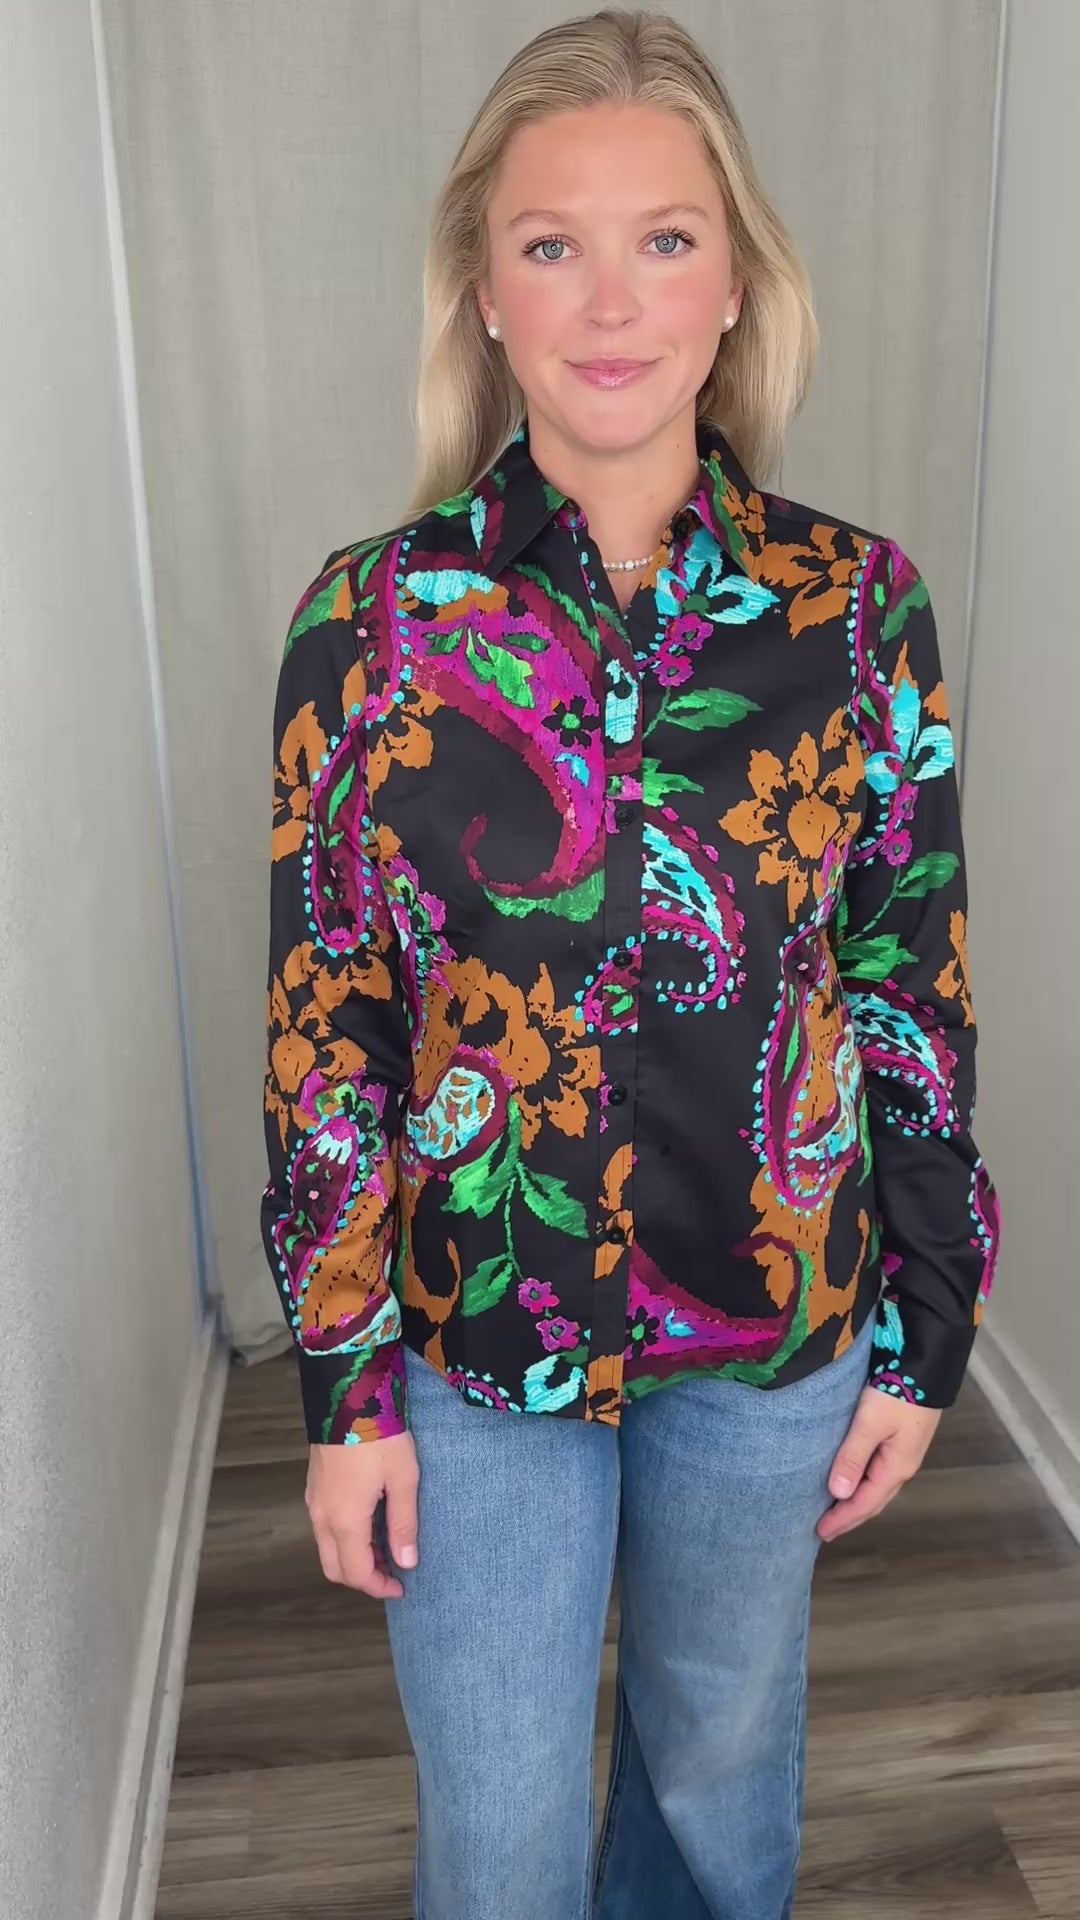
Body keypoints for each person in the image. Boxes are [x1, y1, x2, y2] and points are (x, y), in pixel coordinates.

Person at [259, 10, 1001, 1917]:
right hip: (474, 1339)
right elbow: (330, 1030)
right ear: (484, 291)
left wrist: (928, 1319)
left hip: (770, 1324)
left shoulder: (859, 612)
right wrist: (344, 1390)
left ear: (735, 284)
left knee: (716, 1776)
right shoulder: (372, 626)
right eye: (552, 243)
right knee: (499, 1824)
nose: (610, 301)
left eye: (665, 239)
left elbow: (906, 983)